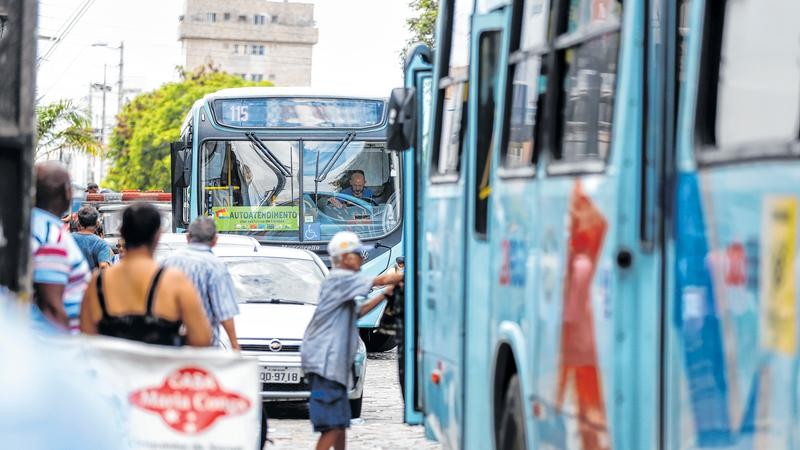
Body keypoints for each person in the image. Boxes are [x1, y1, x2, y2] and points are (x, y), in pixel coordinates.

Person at [301, 231, 404, 450]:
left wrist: (385, 294)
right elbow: (382, 278)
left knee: (341, 422)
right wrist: (410, 271)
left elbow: (357, 312)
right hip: (325, 363)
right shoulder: (341, 279)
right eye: (359, 255)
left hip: (334, 363)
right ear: (346, 257)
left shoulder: (342, 282)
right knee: (333, 426)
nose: (362, 259)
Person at [79, 203, 212, 347]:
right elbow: (202, 339)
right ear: (157, 236)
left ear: (122, 233)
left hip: (109, 368)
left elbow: (86, 337)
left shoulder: (98, 282)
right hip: (161, 367)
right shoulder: (174, 281)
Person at [161, 216, 241, 350]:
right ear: (215, 240)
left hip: (169, 347)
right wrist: (234, 346)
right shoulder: (215, 267)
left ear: (187, 238)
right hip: (202, 349)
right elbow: (224, 312)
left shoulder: (167, 262)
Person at [31, 162, 91, 331]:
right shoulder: (51, 238)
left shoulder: (34, 225)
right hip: (52, 349)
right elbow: (52, 308)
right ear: (67, 191)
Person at [72, 205, 112, 270]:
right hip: (91, 279)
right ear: (97, 224)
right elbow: (104, 266)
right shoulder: (101, 244)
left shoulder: (68, 238)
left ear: (78, 224)